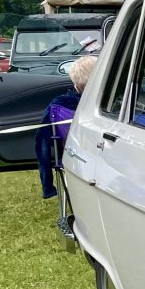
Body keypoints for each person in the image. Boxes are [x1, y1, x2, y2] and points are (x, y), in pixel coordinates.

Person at [36, 55, 97, 199]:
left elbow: (42, 142)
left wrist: (47, 185)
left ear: (75, 82)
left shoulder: (58, 105)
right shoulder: (110, 104)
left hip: (72, 160)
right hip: (105, 161)